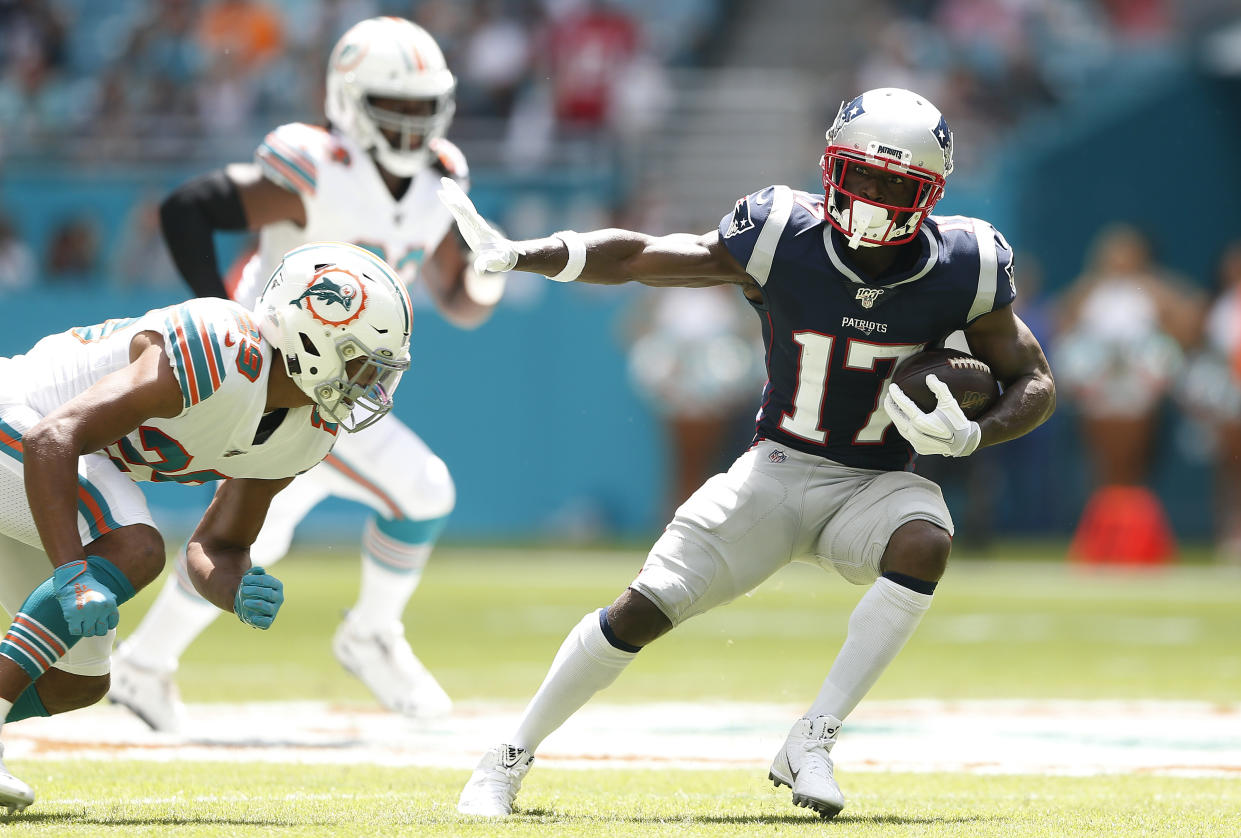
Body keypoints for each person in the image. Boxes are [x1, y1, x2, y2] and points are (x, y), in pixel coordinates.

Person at [440, 87, 1055, 819]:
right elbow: (642, 255)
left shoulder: (966, 263)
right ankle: (505, 758)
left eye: (896, 186)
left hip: (877, 483)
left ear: (932, 194)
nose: (871, 199)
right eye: (859, 177)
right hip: (778, 468)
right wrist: (522, 253)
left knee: (925, 541)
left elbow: (1034, 380)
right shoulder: (780, 232)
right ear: (829, 166)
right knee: (641, 610)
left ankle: (812, 740)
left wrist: (975, 434)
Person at [107, 16, 500, 731]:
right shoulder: (316, 166)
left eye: (422, 107)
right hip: (281, 383)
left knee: (263, 529)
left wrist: (492, 272)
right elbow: (189, 210)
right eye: (395, 106)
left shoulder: (439, 178)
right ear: (349, 101)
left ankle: (142, 666)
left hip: (335, 392)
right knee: (421, 489)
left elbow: (458, 297)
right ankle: (370, 634)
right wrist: (223, 325)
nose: (412, 124)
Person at [0, 241, 414, 812]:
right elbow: (54, 438)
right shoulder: (219, 349)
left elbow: (218, 544)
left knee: (78, 680)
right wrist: (73, 571)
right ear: (313, 338)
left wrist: (236, 586)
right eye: (363, 361)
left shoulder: (308, 434)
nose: (371, 384)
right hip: (21, 421)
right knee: (135, 547)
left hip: (39, 473)